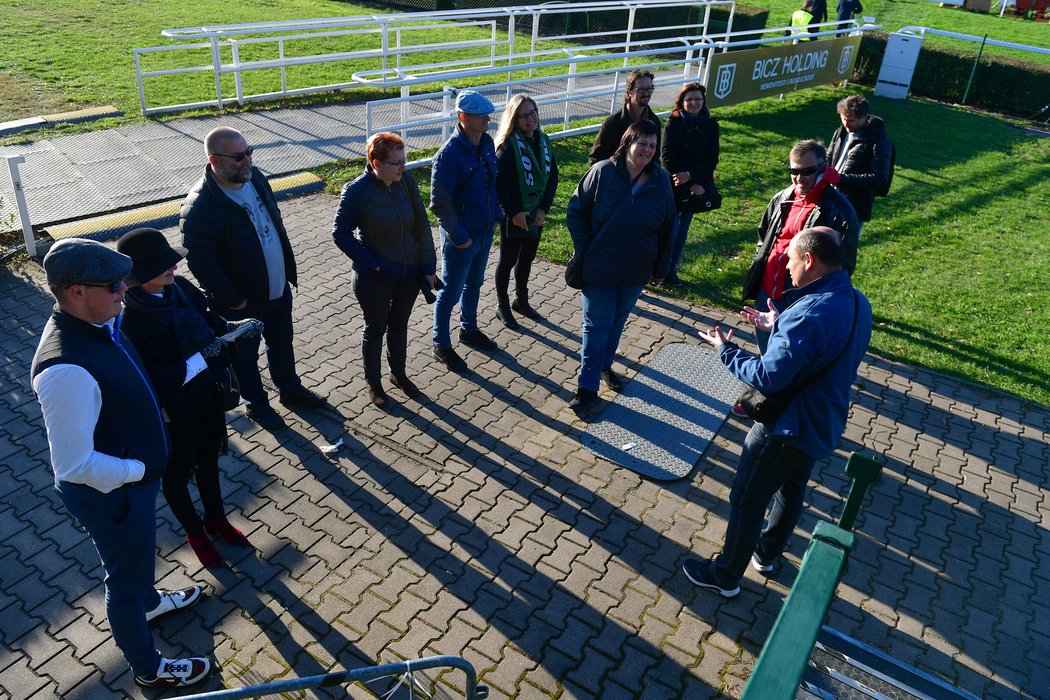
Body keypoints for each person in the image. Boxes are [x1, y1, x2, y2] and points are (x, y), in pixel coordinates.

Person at [30, 238, 210, 688]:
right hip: (114, 495)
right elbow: (73, 465)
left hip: (132, 486)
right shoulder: (64, 369)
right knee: (124, 583)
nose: (123, 290)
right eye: (113, 284)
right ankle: (149, 670)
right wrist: (140, 472)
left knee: (137, 563)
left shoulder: (101, 320)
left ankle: (150, 602)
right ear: (75, 291)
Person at [684, 227, 873, 598]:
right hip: (822, 423)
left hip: (785, 427)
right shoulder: (856, 300)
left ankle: (725, 576)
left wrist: (725, 350)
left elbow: (769, 377)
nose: (785, 266)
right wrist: (778, 326)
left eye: (790, 259)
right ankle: (766, 555)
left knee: (747, 499)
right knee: (791, 490)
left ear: (810, 260)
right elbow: (822, 350)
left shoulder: (810, 313)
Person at [117, 228, 257, 569]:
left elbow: (208, 319)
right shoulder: (131, 323)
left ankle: (216, 519)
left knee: (209, 460)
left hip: (204, 397)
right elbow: (161, 380)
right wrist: (204, 357)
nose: (173, 269)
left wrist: (232, 329)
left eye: (171, 261)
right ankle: (195, 534)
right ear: (137, 277)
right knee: (177, 476)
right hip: (171, 412)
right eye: (162, 265)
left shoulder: (178, 288)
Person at [180, 126, 325, 431]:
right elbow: (200, 260)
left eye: (249, 152)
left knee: (282, 342)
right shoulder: (201, 206)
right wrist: (232, 297)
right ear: (215, 160)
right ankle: (256, 405)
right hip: (240, 302)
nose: (247, 160)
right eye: (238, 156)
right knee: (244, 357)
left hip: (276, 289)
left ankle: (290, 390)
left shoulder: (256, 178)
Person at [566, 121, 676, 409]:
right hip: (599, 265)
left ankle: (605, 365)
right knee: (596, 325)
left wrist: (661, 267)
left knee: (616, 323)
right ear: (628, 142)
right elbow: (576, 212)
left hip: (636, 267)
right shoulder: (602, 171)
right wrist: (586, 247)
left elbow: (667, 227)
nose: (648, 150)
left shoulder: (661, 180)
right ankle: (586, 388)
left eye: (653, 145)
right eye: (643, 143)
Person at [332, 131, 437, 406]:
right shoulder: (357, 191)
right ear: (376, 163)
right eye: (397, 162)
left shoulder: (406, 181)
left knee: (399, 325)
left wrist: (428, 266)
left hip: (409, 272)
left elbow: (421, 225)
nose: (404, 167)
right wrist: (373, 264)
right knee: (375, 328)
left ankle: (398, 374)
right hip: (374, 277)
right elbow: (340, 233)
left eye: (405, 160)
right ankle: (374, 383)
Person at [741, 139, 858, 353]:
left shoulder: (840, 210)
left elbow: (844, 265)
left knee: (790, 356)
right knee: (766, 353)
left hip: (800, 299)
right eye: (793, 171)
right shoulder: (782, 198)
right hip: (766, 293)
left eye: (807, 171)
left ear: (823, 168)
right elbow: (763, 236)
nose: (798, 178)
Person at [430, 90, 504, 373]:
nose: (487, 119)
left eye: (487, 115)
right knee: (449, 292)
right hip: (462, 239)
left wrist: (496, 215)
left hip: (484, 232)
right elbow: (439, 203)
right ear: (463, 118)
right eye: (480, 116)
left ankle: (468, 329)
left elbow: (491, 184)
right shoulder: (448, 156)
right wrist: (459, 238)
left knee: (474, 284)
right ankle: (441, 343)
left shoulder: (485, 143)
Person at [494, 94, 559, 329]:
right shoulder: (507, 147)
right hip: (514, 215)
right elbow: (498, 185)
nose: (531, 119)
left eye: (533, 112)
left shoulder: (543, 141)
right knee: (508, 260)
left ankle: (521, 300)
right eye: (524, 116)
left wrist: (543, 209)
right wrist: (514, 212)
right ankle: (501, 305)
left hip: (535, 213)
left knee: (527, 258)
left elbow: (552, 177)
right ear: (514, 119)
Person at [660, 82, 720, 287]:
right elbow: (666, 156)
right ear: (682, 102)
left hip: (698, 185)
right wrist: (684, 180)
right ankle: (657, 267)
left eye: (697, 99)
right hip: (674, 183)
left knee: (682, 229)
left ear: (703, 102)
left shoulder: (711, 125)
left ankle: (670, 269)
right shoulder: (673, 123)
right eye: (689, 99)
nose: (693, 103)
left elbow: (712, 159)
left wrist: (692, 177)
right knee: (670, 228)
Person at [825, 95, 892, 231]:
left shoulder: (879, 142)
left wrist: (841, 179)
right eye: (843, 119)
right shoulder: (840, 132)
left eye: (852, 121)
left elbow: (880, 178)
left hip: (854, 206)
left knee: (842, 248)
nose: (846, 124)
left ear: (865, 117)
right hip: (829, 198)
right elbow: (829, 157)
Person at [588, 69, 662, 166]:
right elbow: (596, 158)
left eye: (649, 89)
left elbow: (655, 157)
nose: (646, 93)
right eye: (641, 89)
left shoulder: (654, 122)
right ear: (629, 92)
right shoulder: (612, 123)